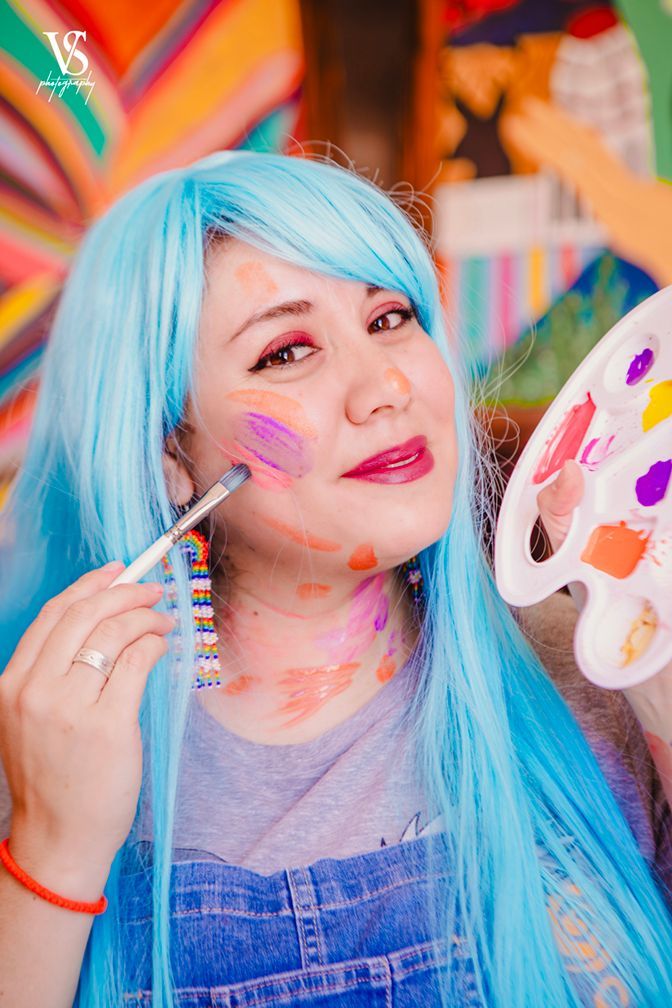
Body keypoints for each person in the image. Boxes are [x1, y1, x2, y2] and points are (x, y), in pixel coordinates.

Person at [0, 151, 670, 1008]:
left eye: (390, 318)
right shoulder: (60, 750)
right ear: (173, 453)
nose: (386, 386)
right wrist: (52, 852)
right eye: (287, 351)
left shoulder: (591, 674)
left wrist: (656, 676)